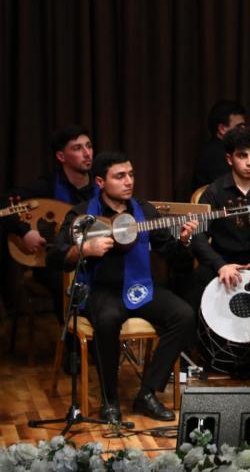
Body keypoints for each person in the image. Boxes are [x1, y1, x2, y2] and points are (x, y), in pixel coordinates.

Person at [51, 151, 198, 422]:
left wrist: (184, 241)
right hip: (102, 291)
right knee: (107, 319)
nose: (128, 181)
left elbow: (176, 260)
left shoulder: (145, 212)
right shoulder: (82, 214)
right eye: (119, 176)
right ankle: (110, 400)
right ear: (100, 182)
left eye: (130, 174)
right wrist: (84, 249)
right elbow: (55, 257)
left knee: (184, 315)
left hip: (141, 288)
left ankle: (147, 393)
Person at [183, 126, 250, 315]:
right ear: (229, 159)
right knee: (195, 282)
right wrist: (220, 265)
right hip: (223, 262)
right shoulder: (214, 192)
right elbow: (198, 234)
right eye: (242, 156)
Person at [3, 126, 96, 318]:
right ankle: (72, 334)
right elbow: (4, 204)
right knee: (68, 282)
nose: (87, 153)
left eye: (88, 146)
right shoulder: (48, 185)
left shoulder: (102, 186)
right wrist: (25, 231)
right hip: (54, 262)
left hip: (94, 258)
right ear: (61, 156)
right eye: (77, 148)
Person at [191, 100, 246, 190]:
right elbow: (228, 191)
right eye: (239, 126)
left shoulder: (225, 149)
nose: (244, 130)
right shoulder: (214, 154)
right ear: (222, 129)